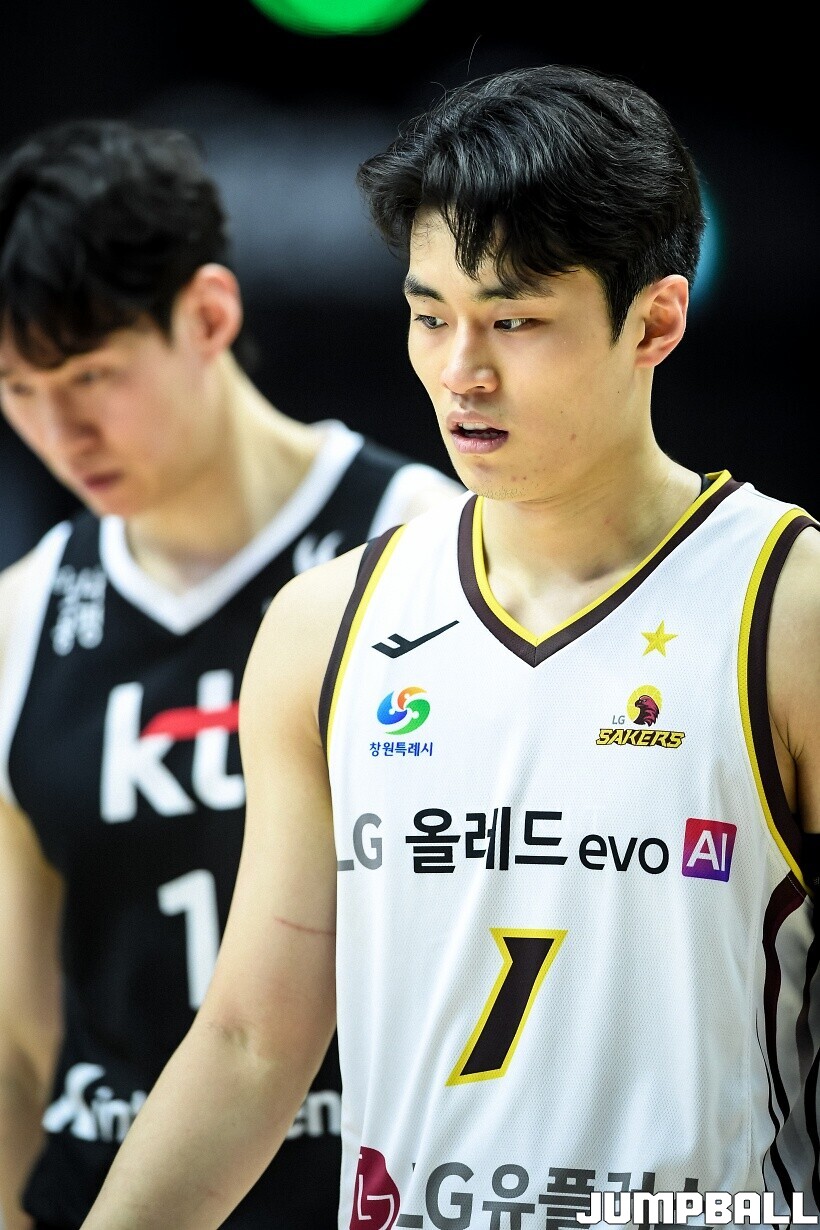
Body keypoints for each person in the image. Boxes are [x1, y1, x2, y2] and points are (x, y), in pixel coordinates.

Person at [76, 63, 820, 1230]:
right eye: (431, 316)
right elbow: (249, 1043)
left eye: (514, 322)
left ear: (654, 320)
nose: (461, 371)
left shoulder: (788, 608)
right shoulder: (327, 625)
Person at [0, 117, 463, 1230]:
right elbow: (17, 1045)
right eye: (17, 387)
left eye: (93, 374)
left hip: (369, 1188)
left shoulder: (425, 546)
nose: (60, 427)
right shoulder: (21, 616)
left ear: (209, 315)